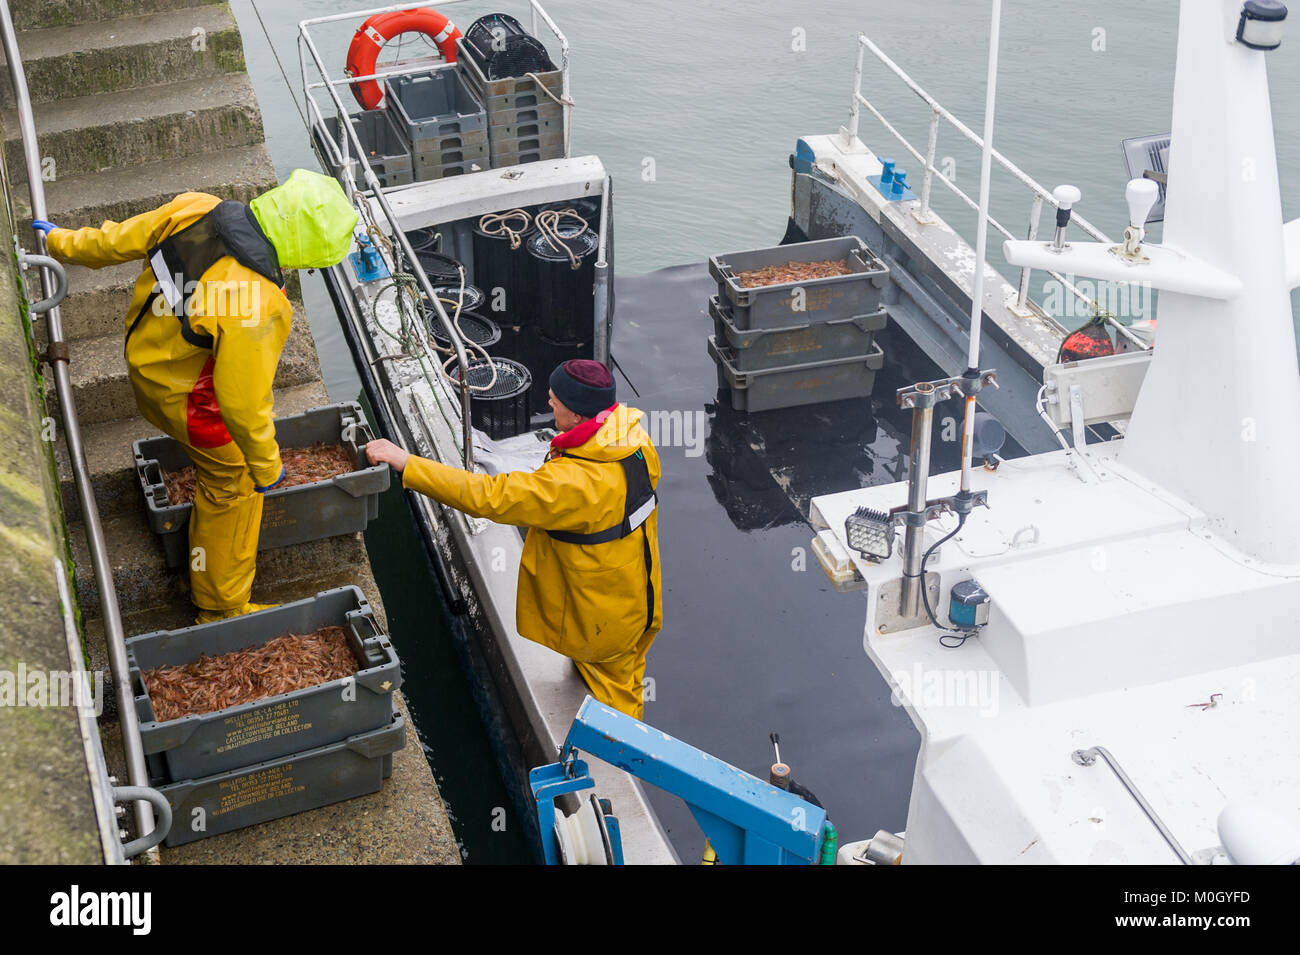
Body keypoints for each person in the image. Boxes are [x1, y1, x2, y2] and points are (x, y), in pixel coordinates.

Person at [38, 169, 359, 623]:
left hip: (143, 361)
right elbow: (242, 402)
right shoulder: (261, 301)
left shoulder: (196, 206)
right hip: (184, 402)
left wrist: (61, 243)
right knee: (235, 483)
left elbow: (119, 241)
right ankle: (221, 604)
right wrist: (267, 467)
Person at [366, 360, 663, 718]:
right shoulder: (633, 438)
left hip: (600, 621)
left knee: (613, 702)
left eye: (556, 401)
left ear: (580, 416)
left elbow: (488, 497)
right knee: (628, 678)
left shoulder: (571, 483)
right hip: (638, 597)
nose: (548, 404)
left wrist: (408, 463)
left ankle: (619, 758)